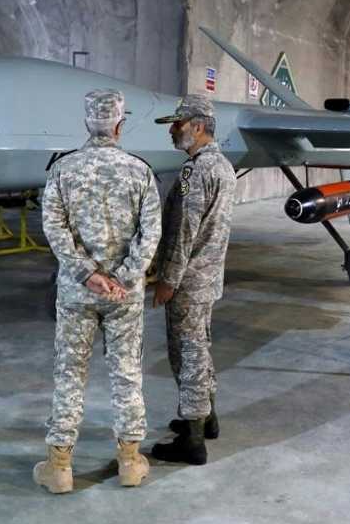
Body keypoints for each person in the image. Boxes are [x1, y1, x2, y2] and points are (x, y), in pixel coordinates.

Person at [35, 89, 162, 494]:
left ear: (88, 123)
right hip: (123, 297)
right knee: (126, 373)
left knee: (70, 372)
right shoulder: (139, 171)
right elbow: (151, 232)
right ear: (120, 123)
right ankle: (129, 461)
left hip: (77, 292)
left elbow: (54, 227)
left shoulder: (63, 169)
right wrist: (123, 276)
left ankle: (59, 468)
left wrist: (87, 274)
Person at [150, 95, 237, 465]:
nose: (173, 131)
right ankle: (207, 419)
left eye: (178, 124)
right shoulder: (223, 166)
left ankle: (193, 439)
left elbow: (185, 229)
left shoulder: (195, 171)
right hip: (208, 277)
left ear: (198, 126)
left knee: (186, 355)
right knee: (199, 349)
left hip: (188, 280)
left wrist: (167, 278)